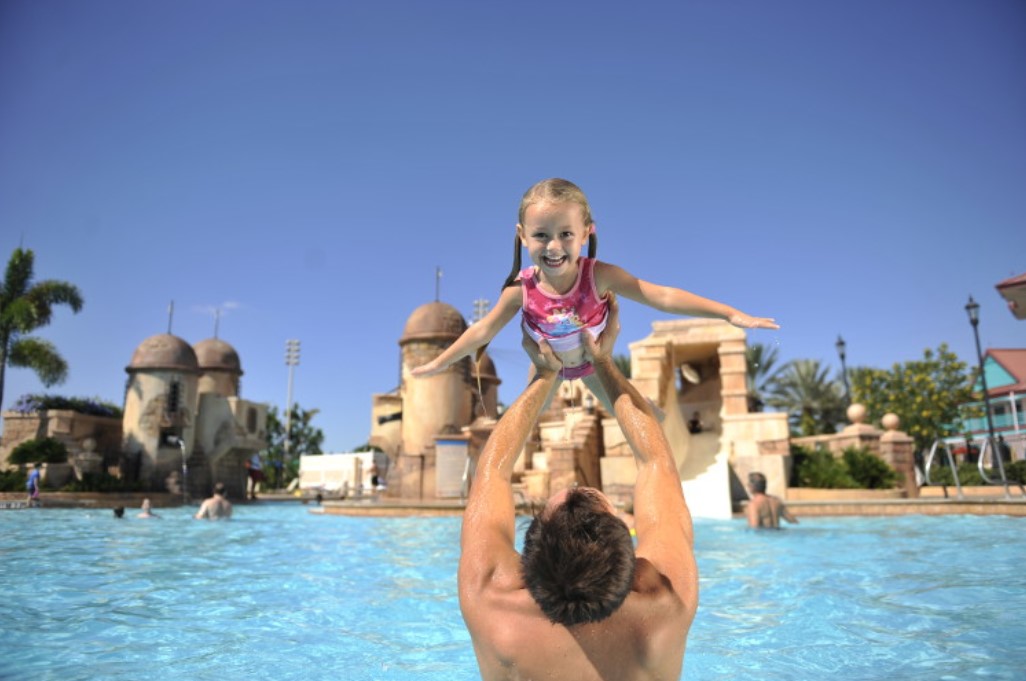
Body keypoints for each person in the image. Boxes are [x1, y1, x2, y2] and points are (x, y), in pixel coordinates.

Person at [459, 295, 698, 680]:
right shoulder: (664, 609)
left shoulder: (492, 606)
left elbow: (491, 473)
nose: (573, 486)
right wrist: (603, 363)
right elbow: (657, 463)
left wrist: (543, 375)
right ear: (636, 569)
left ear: (523, 566)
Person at [412, 178, 778, 413]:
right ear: (522, 236)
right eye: (541, 235)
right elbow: (482, 332)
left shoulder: (599, 277)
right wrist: (440, 362)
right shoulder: (520, 290)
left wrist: (730, 314)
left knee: (642, 418)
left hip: (591, 365)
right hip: (545, 368)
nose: (554, 246)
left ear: (586, 232)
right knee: (522, 427)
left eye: (566, 234)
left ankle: (648, 410)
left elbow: (661, 296)